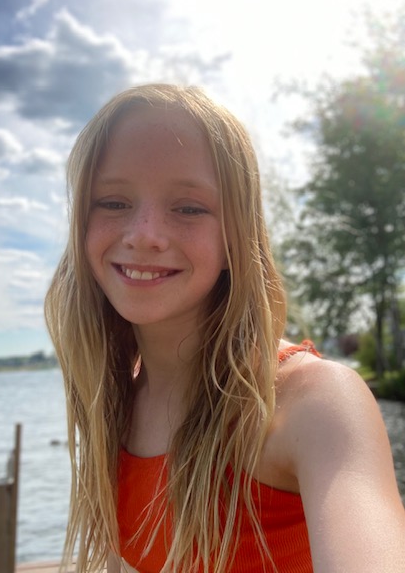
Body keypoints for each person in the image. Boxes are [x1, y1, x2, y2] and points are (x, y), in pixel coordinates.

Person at [45, 83, 405, 573]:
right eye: (111, 202)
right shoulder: (114, 404)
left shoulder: (311, 403)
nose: (145, 234)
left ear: (237, 236)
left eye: (189, 207)